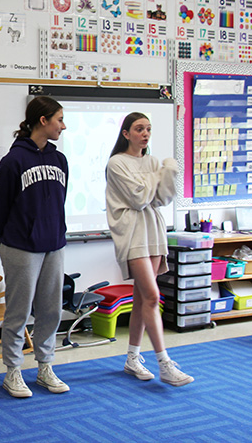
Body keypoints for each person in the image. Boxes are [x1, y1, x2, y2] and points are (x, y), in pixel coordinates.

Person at [0, 96, 70, 398]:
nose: (64, 125)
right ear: (43, 120)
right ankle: (12, 370)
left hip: (54, 244)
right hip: (20, 247)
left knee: (51, 309)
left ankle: (45, 365)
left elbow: (60, 201)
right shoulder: (13, 161)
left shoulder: (60, 160)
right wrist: (9, 241)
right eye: (59, 119)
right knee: (18, 312)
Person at [105, 112, 193, 387]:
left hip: (154, 231)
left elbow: (164, 197)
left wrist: (165, 172)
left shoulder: (154, 162)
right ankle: (165, 363)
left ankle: (132, 358)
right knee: (154, 296)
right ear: (126, 133)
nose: (145, 133)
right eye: (139, 129)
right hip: (132, 234)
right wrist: (160, 175)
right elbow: (140, 198)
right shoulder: (116, 163)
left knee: (143, 298)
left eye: (148, 129)